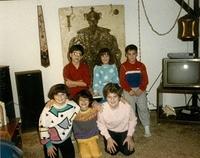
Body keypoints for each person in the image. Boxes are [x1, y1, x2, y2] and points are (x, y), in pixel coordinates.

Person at [69, 7, 122, 73]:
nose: (92, 22)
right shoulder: (81, 34)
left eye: (94, 20)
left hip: (102, 63)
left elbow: (115, 50)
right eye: (90, 20)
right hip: (86, 64)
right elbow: (73, 51)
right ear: (88, 21)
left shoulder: (105, 33)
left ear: (97, 20)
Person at [38, 84, 80, 158]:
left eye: (62, 94)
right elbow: (42, 126)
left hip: (66, 138)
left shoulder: (72, 105)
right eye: (56, 94)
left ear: (66, 95)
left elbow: (79, 106)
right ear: (53, 96)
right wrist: (48, 144)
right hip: (51, 141)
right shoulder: (48, 108)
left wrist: (94, 103)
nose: (60, 97)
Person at [119, 44, 151, 137]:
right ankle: (131, 128)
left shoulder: (141, 65)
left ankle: (146, 127)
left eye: (133, 54)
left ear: (136, 54)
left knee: (143, 108)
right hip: (128, 90)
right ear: (126, 55)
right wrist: (129, 90)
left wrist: (141, 89)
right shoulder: (123, 66)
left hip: (140, 89)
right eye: (129, 54)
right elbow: (122, 81)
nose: (131, 56)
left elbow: (145, 80)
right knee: (130, 109)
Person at [97, 83, 137, 156]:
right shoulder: (102, 109)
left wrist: (129, 136)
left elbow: (132, 120)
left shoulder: (127, 107)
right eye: (109, 97)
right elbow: (101, 124)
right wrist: (108, 138)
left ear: (119, 97)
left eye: (115, 96)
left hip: (124, 130)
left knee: (128, 151)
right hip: (110, 131)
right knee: (112, 152)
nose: (112, 100)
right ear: (106, 97)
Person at [73, 89, 102, 158]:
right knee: (85, 156)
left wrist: (95, 103)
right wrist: (51, 101)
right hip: (81, 138)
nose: (83, 102)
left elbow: (105, 105)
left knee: (96, 155)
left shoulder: (94, 109)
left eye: (86, 100)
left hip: (93, 136)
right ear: (77, 101)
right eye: (81, 100)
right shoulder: (74, 112)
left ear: (89, 101)